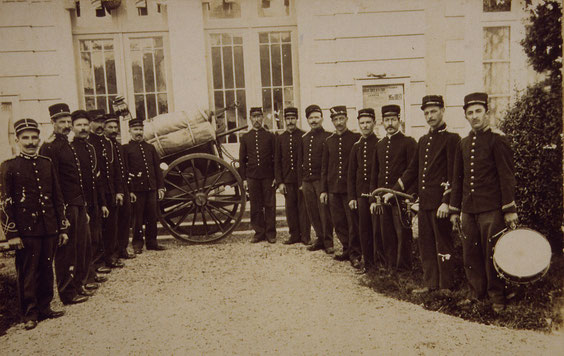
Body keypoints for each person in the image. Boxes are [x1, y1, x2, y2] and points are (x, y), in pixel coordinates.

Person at [449, 92, 518, 313]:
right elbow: (457, 180)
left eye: (478, 111)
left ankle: (497, 296)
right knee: (470, 252)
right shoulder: (463, 143)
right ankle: (475, 294)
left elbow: (506, 176)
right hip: (469, 209)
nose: (474, 116)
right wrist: (454, 209)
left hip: (492, 208)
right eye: (470, 113)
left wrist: (509, 209)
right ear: (466, 117)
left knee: (492, 252)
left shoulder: (497, 139)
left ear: (486, 112)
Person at [0, 118, 68, 330]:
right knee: (28, 271)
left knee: (47, 269)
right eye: (25, 138)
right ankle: (29, 313)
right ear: (18, 140)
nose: (30, 142)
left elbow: (57, 197)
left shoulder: (46, 163)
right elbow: (5, 203)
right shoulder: (9, 167)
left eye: (34, 137)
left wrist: (62, 227)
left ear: (39, 139)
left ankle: (45, 306)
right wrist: (12, 234)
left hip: (49, 227)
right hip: (25, 230)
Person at [388, 95, 460, 293]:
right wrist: (392, 192)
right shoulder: (423, 140)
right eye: (426, 113)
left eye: (433, 111)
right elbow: (412, 171)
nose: (430, 116)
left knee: (443, 244)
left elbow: (454, 173)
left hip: (440, 206)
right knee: (426, 244)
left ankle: (446, 286)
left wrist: (447, 202)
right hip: (425, 203)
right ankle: (431, 284)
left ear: (442, 111)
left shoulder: (452, 139)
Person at [40, 103, 90, 305]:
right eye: (62, 122)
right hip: (66, 205)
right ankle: (67, 293)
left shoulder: (67, 144)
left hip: (77, 202)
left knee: (80, 247)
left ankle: (78, 285)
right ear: (53, 122)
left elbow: (75, 178)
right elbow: (54, 183)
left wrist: (83, 205)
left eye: (69, 122)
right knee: (66, 252)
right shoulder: (50, 147)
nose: (67, 125)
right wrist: (61, 211)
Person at [370, 105, 417, 271]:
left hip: (400, 197)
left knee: (402, 234)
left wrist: (406, 194)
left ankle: (404, 270)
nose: (390, 124)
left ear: (399, 120)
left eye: (393, 120)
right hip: (382, 198)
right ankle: (391, 269)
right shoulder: (380, 145)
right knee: (387, 234)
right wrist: (373, 199)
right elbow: (376, 173)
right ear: (382, 122)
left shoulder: (409, 142)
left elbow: (413, 170)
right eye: (387, 120)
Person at [320, 106, 361, 267]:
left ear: (346, 119)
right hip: (333, 189)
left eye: (341, 119)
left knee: (353, 223)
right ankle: (346, 248)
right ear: (332, 121)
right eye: (335, 119)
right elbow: (325, 167)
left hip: (349, 189)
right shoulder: (329, 141)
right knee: (339, 222)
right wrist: (324, 189)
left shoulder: (355, 138)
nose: (339, 122)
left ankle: (355, 253)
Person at [70, 110, 106, 292]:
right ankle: (83, 279)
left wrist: (101, 203)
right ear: (72, 127)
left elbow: (96, 178)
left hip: (92, 201)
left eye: (85, 125)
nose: (83, 128)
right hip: (79, 202)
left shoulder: (90, 148)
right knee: (82, 243)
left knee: (94, 239)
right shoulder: (71, 148)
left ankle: (91, 273)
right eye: (79, 125)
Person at [87, 109, 124, 270]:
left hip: (110, 191)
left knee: (111, 227)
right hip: (96, 194)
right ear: (90, 124)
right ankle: (98, 262)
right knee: (97, 229)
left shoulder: (108, 143)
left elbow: (115, 170)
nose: (100, 125)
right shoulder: (89, 143)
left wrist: (119, 191)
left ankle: (110, 257)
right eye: (96, 122)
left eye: (102, 122)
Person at [123, 118, 166, 253]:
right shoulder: (126, 149)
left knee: (152, 216)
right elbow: (125, 171)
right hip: (136, 190)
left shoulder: (150, 148)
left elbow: (156, 169)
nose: (138, 132)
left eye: (140, 129)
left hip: (151, 188)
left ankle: (152, 242)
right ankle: (137, 244)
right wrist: (129, 191)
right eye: (135, 130)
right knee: (137, 218)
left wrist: (160, 187)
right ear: (130, 131)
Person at [298, 105, 334, 254]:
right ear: (307, 120)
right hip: (307, 181)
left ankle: (328, 241)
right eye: (311, 118)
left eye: (316, 117)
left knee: (324, 212)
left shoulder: (328, 136)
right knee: (312, 211)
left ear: (322, 119)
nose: (314, 121)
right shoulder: (304, 138)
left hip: (321, 181)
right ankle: (319, 238)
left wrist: (326, 184)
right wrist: (301, 182)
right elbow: (300, 160)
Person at [239, 107, 277, 243]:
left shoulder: (270, 136)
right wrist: (243, 179)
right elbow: (242, 160)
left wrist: (276, 177)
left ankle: (271, 233)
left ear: (263, 118)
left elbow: (276, 158)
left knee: (270, 205)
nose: (256, 119)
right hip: (252, 176)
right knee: (255, 205)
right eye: (254, 117)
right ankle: (259, 232)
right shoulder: (245, 138)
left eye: (259, 116)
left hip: (268, 176)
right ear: (250, 119)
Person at [348, 108, 379, 272]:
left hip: (376, 195)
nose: (365, 126)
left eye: (368, 122)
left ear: (374, 123)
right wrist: (352, 197)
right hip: (361, 196)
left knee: (377, 229)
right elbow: (351, 174)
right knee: (364, 229)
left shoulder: (380, 144)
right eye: (362, 123)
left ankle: (378, 262)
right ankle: (368, 263)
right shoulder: (356, 147)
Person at [275, 107, 311, 245]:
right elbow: (277, 161)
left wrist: (304, 180)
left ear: (296, 119)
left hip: (301, 180)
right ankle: (294, 235)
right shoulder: (280, 138)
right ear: (285, 120)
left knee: (304, 209)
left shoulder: (303, 136)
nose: (290, 121)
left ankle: (305, 236)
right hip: (287, 180)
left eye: (292, 118)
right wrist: (280, 182)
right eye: (288, 119)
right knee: (290, 209)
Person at [104, 113, 135, 259]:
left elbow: (124, 169)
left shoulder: (119, 146)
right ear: (104, 128)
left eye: (115, 127)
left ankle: (123, 249)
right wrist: (117, 191)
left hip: (124, 188)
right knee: (113, 223)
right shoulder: (105, 146)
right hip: (114, 191)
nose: (113, 130)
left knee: (125, 220)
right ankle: (113, 252)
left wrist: (126, 190)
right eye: (110, 127)